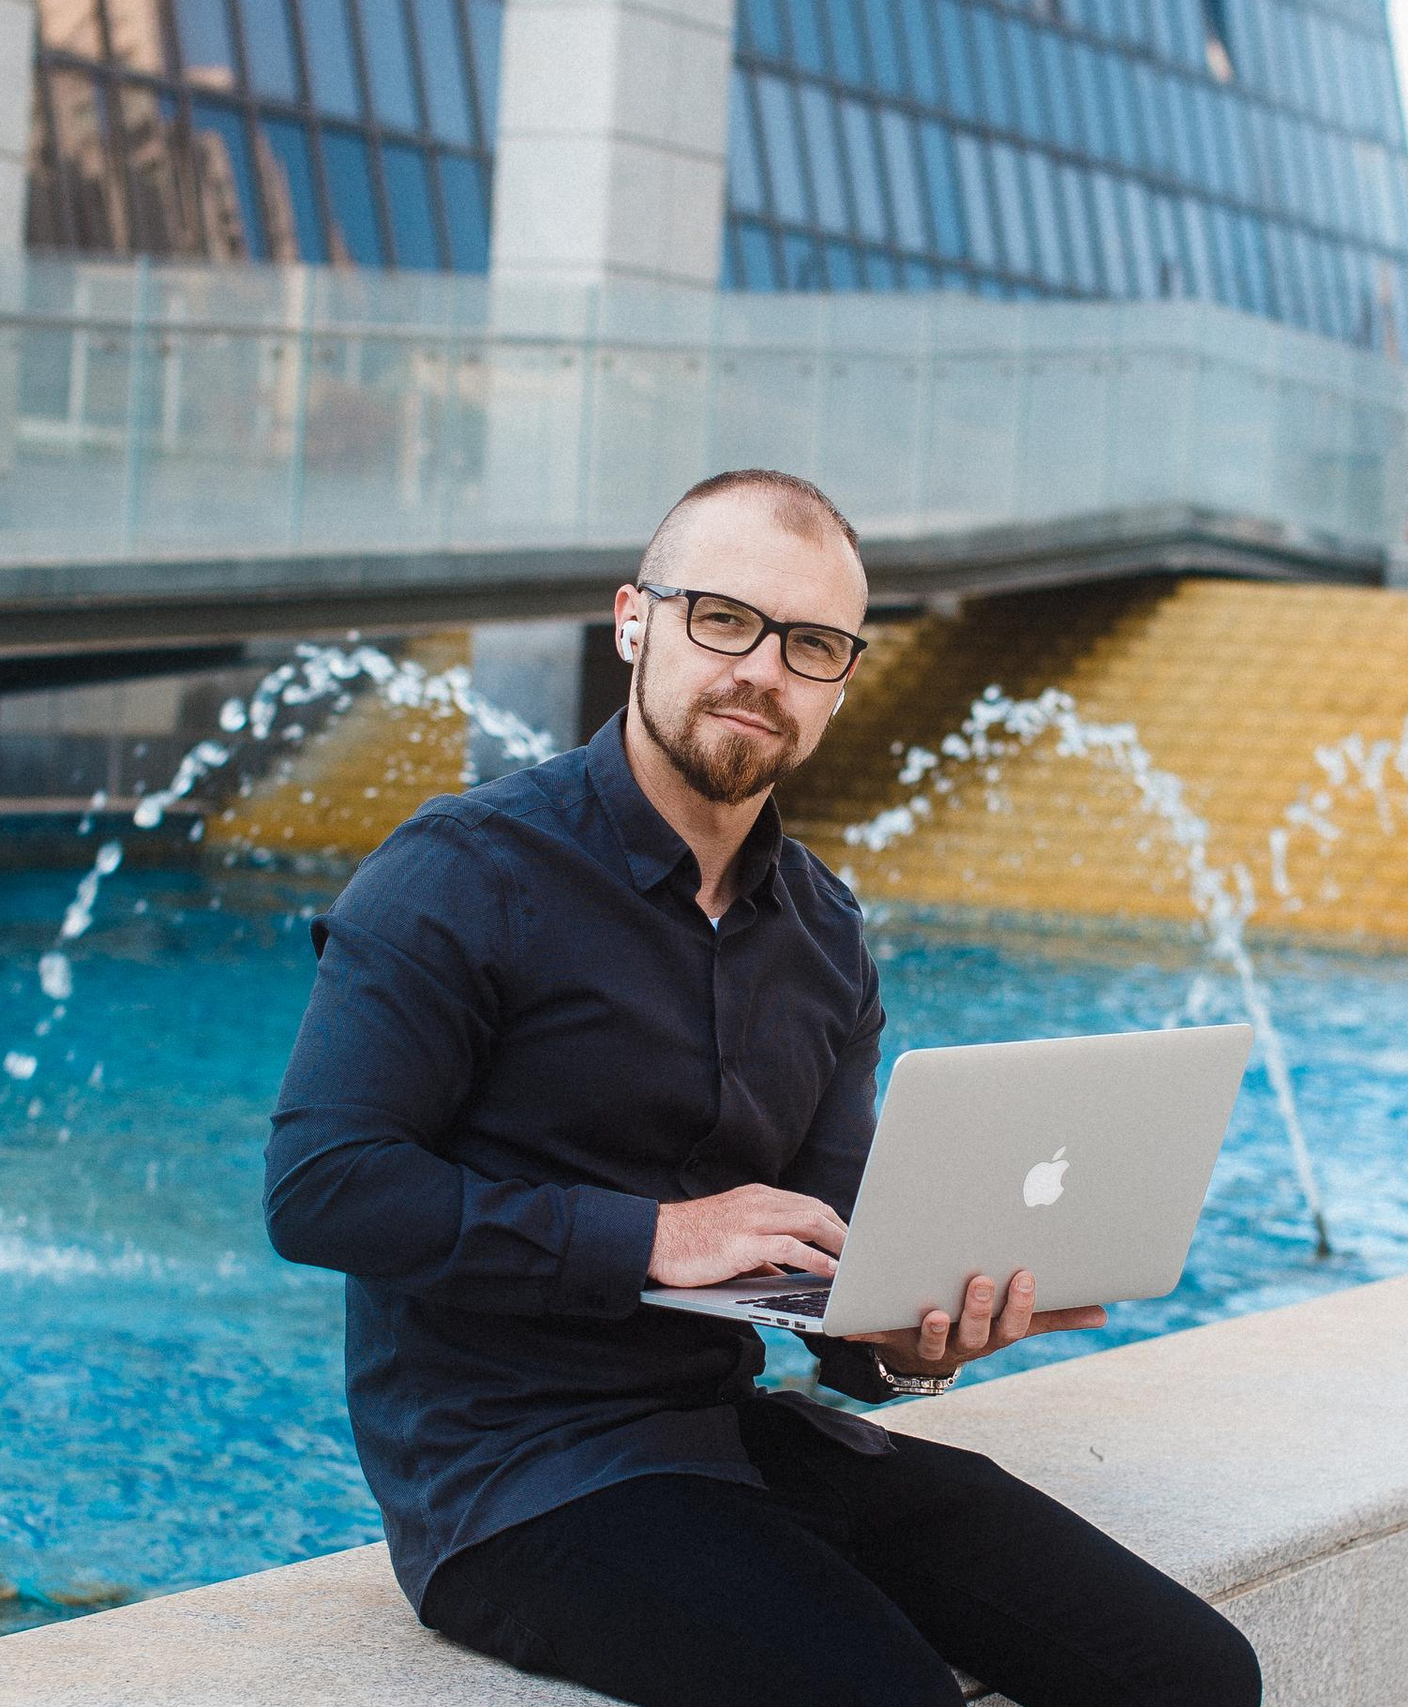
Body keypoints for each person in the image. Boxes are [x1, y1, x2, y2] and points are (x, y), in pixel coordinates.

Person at [266, 469, 1261, 1707]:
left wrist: (909, 1343)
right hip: (509, 1480)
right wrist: (654, 1237)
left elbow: (833, 1282)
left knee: (1193, 1677)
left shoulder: (824, 935)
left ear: (841, 680)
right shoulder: (458, 875)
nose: (760, 671)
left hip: (733, 1441)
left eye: (810, 645)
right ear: (636, 620)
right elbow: (322, 1189)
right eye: (721, 619)